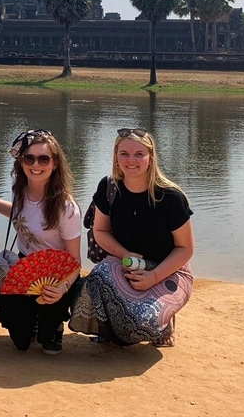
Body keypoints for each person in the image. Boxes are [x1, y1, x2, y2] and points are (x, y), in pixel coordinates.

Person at [79, 128, 194, 347]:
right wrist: (124, 254)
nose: (131, 160)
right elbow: (100, 231)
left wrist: (154, 277)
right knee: (99, 275)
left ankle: (164, 322)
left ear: (150, 158)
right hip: (126, 263)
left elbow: (185, 249)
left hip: (168, 270)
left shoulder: (171, 197)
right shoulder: (108, 187)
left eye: (139, 154)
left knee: (144, 323)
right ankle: (110, 330)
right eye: (124, 154)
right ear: (116, 157)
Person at [0, 129, 82, 355]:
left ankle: (54, 324)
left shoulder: (65, 207)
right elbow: (22, 215)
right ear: (21, 162)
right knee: (20, 341)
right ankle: (31, 319)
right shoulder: (19, 188)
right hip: (25, 267)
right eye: (29, 158)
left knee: (47, 343)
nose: (35, 164)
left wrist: (61, 288)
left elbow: (76, 261)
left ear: (55, 163)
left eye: (43, 158)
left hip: (58, 274)